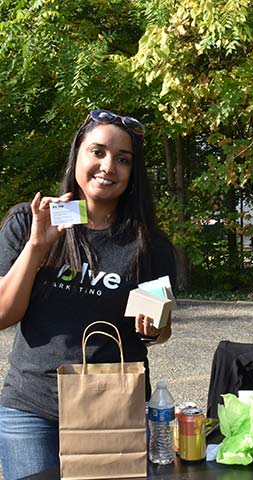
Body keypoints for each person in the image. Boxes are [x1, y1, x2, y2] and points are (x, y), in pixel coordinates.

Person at [0, 109, 177, 479]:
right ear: (77, 154)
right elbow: (3, 314)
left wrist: (154, 327)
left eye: (122, 159)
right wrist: (36, 247)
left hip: (112, 408)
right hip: (32, 411)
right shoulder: (32, 222)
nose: (108, 166)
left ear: (133, 173)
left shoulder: (148, 243)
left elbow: (159, 330)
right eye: (97, 152)